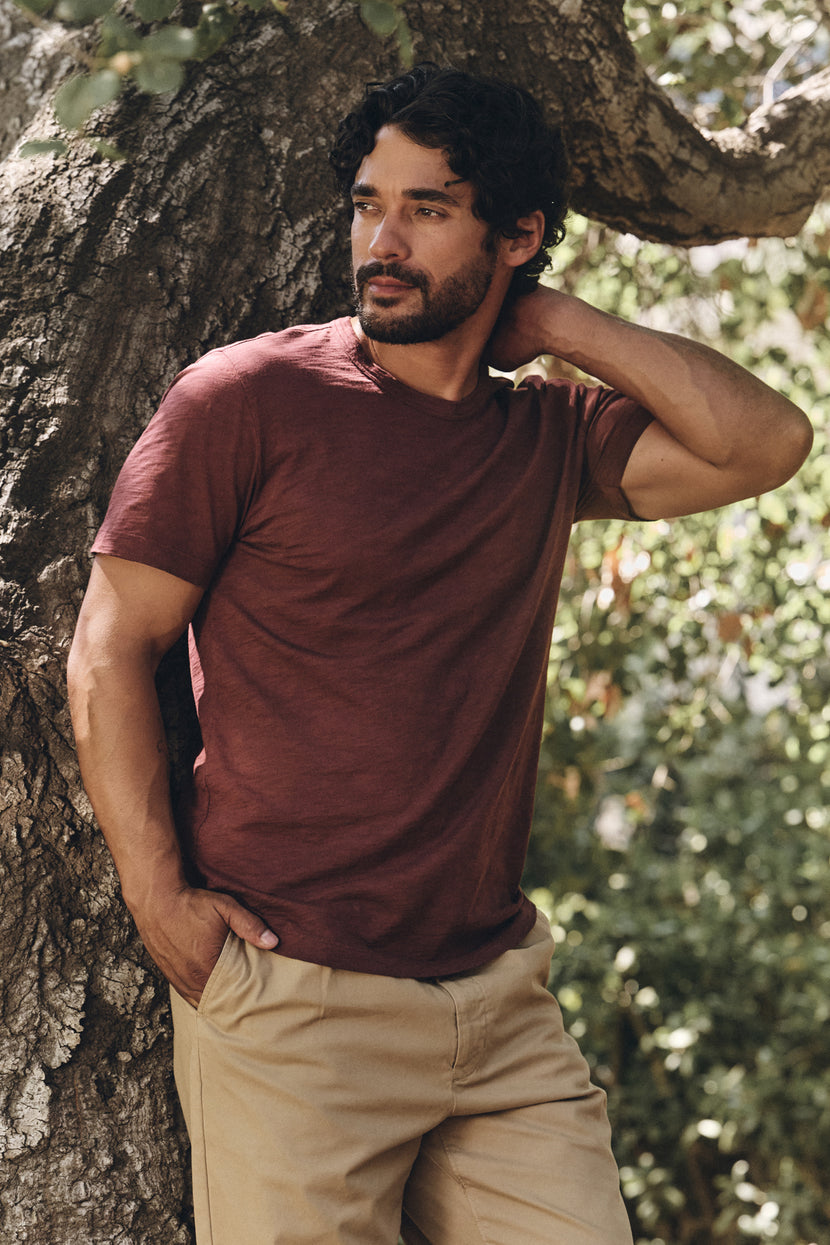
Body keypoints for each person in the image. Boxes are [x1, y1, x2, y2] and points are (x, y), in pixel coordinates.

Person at [67, 63, 812, 1245]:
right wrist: (159, 902)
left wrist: (555, 321)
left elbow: (763, 441)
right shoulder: (246, 401)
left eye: (426, 209)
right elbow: (110, 646)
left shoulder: (547, 437)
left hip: (498, 1005)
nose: (381, 239)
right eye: (368, 204)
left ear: (515, 234)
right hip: (294, 1001)